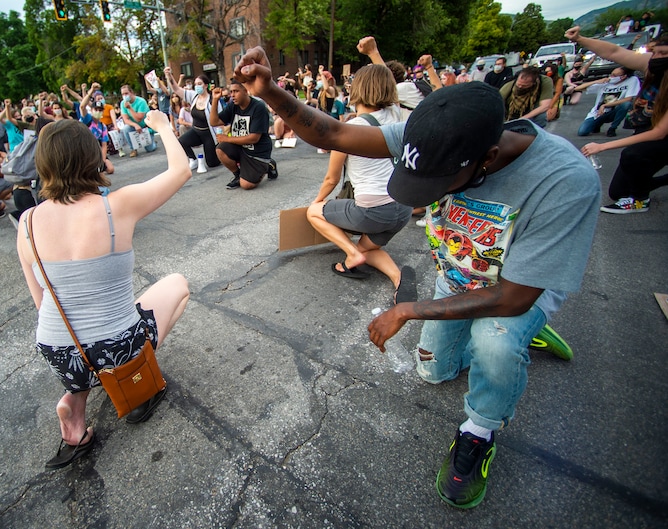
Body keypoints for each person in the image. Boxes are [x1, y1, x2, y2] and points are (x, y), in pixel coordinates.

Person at [230, 45, 600, 509]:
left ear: (486, 158)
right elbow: (336, 133)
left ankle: (479, 431)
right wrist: (271, 94)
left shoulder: (564, 181)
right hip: (459, 276)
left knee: (497, 340)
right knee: (434, 371)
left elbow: (513, 295)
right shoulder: (438, 132)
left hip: (516, 289)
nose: (424, 199)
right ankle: (516, 334)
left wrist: (407, 308)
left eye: (435, 186)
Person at [15, 111, 191, 470]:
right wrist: (160, 127)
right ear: (93, 157)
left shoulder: (27, 222)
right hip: (115, 349)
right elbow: (181, 170)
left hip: (58, 351)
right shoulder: (116, 205)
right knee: (177, 285)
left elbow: (39, 299)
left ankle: (75, 404)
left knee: (84, 334)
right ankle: (138, 383)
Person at [306, 64, 412, 299]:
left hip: (373, 212)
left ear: (357, 89)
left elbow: (331, 178)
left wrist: (318, 203)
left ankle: (351, 255)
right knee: (367, 248)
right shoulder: (397, 116)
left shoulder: (350, 129)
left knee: (313, 212)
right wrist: (374, 53)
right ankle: (398, 279)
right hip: (403, 209)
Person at [567, 27, 668, 214]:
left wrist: (603, 146)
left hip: (663, 136)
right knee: (617, 192)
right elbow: (615, 52)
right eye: (654, 52)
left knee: (632, 154)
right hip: (647, 127)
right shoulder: (650, 64)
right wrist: (580, 38)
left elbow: (659, 133)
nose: (656, 57)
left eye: (663, 54)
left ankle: (640, 201)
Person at [209, 80, 277, 190]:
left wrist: (227, 139)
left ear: (246, 91)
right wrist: (215, 100)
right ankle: (238, 175)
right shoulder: (233, 106)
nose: (232, 95)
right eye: (231, 92)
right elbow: (214, 122)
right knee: (220, 149)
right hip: (240, 147)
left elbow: (254, 138)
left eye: (236, 91)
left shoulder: (258, 107)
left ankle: (268, 164)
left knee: (246, 185)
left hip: (257, 152)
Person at [164, 68, 221, 171]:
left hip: (209, 134)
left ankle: (220, 155)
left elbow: (220, 119)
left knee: (212, 163)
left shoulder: (213, 100)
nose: (197, 86)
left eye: (199, 83)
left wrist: (220, 136)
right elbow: (176, 89)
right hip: (196, 131)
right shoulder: (194, 96)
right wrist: (169, 76)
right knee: (181, 141)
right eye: (196, 84)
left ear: (205, 85)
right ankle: (193, 159)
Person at [573, 67, 640, 137]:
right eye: (611, 74)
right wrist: (596, 81)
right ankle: (597, 124)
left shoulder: (632, 80)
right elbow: (578, 88)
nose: (611, 77)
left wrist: (605, 105)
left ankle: (612, 128)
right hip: (598, 113)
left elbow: (628, 99)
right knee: (582, 132)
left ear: (623, 77)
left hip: (613, 111)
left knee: (626, 104)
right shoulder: (605, 82)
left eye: (614, 75)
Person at [80, 83, 115, 174]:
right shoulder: (87, 119)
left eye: (100, 110)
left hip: (96, 151)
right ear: (91, 110)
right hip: (83, 149)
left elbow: (104, 145)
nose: (98, 112)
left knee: (110, 169)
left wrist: (102, 161)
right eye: (96, 109)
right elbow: (82, 106)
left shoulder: (102, 126)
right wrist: (91, 91)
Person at [119, 84, 158, 157]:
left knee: (150, 149)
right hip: (135, 126)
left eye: (126, 93)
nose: (124, 96)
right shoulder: (122, 103)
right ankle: (133, 149)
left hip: (145, 126)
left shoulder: (141, 101)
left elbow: (139, 118)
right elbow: (125, 119)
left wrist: (130, 108)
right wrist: (135, 125)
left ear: (131, 92)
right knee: (126, 128)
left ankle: (153, 143)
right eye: (123, 94)